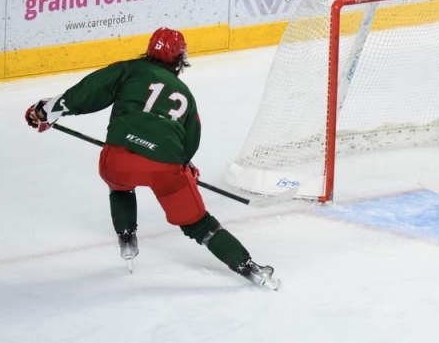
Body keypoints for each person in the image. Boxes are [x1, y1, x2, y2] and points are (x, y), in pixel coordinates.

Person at [24, 27, 279, 289]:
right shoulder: (185, 94)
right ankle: (251, 269)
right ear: (180, 59)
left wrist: (46, 111)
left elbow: (88, 91)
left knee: (119, 184)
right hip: (167, 168)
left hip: (118, 159)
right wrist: (185, 165)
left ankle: (126, 237)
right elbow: (191, 140)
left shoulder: (129, 69)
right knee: (201, 226)